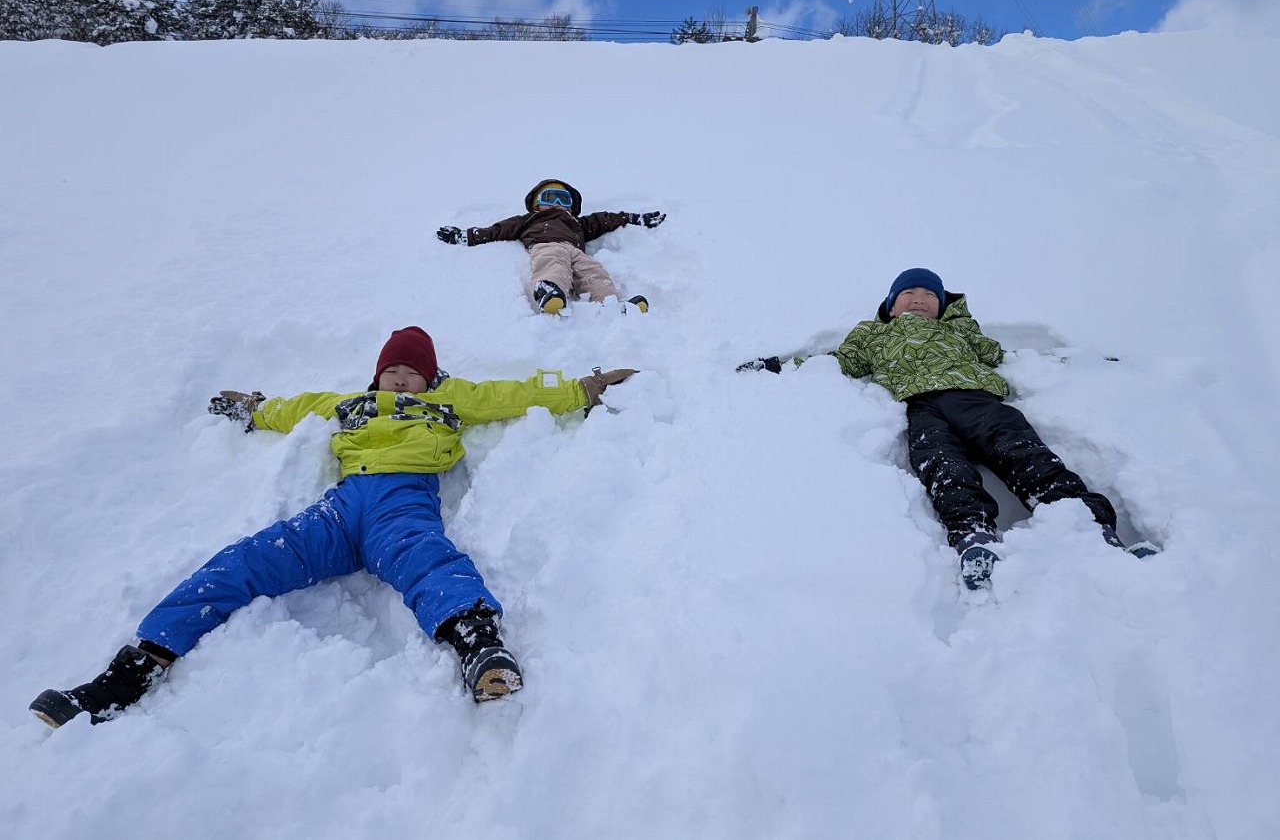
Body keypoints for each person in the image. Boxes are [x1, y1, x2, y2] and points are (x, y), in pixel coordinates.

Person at [30, 326, 638, 727]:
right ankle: (135, 667)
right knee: (246, 558)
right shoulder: (349, 404)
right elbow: (294, 407)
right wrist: (253, 407)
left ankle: (478, 643)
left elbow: (514, 394)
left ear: (432, 378)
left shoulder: (451, 401)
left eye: (412, 371)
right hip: (340, 511)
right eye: (392, 370)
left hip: (402, 502)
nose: (401, 378)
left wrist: (581, 388)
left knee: (426, 557)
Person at [739, 268, 1155, 589]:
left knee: (1025, 453)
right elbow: (835, 361)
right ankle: (973, 535)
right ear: (891, 305)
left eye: (928, 295)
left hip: (978, 399)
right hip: (922, 408)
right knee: (942, 466)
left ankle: (1088, 526)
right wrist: (777, 365)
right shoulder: (871, 335)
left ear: (941, 305)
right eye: (908, 294)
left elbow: (1003, 355)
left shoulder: (959, 330)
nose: (918, 300)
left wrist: (1080, 361)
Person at [436, 178, 665, 315]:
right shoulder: (528, 220)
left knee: (593, 271)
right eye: (550, 198)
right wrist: (467, 235)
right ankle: (549, 289)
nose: (557, 204)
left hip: (576, 250)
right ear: (537, 204)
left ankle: (610, 303)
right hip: (546, 245)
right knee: (553, 263)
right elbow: (498, 229)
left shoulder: (578, 224)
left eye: (563, 200)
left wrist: (635, 219)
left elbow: (604, 220)